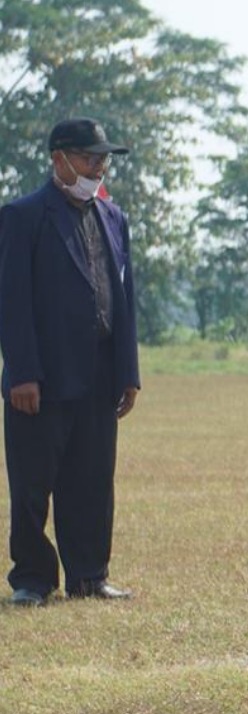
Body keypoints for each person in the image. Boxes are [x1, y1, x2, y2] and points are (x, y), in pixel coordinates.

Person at [0, 118, 140, 606]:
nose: (98, 167)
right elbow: (12, 302)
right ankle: (33, 579)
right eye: (88, 158)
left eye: (102, 159)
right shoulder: (22, 217)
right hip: (41, 377)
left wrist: (128, 373)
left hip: (100, 377)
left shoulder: (113, 217)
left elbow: (124, 299)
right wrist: (22, 372)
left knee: (93, 481)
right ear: (58, 159)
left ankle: (89, 574)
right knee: (33, 484)